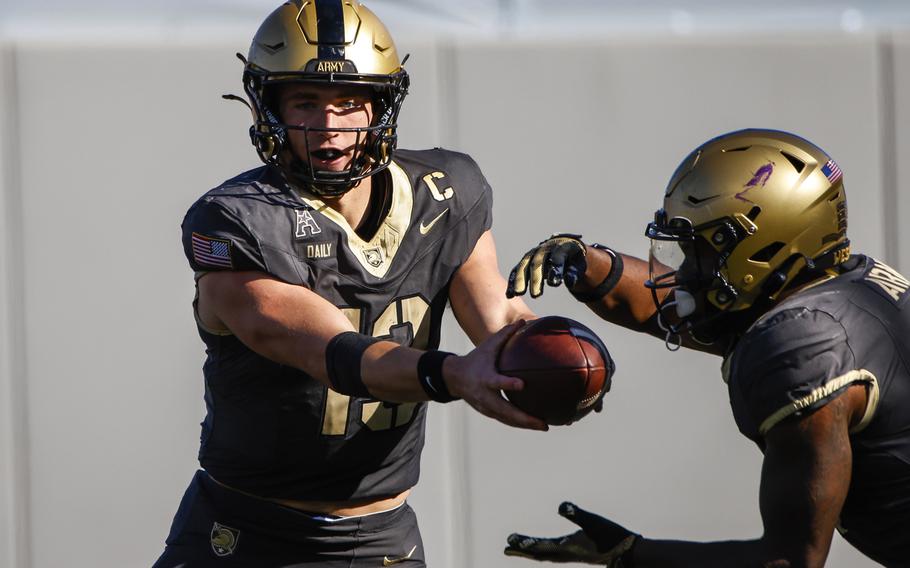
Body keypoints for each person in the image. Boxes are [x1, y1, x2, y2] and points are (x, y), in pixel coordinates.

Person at [152, 1, 546, 566]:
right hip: (247, 535)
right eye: (306, 103)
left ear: (381, 108)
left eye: (349, 103)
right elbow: (333, 351)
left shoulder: (446, 191)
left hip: (384, 538)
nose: (330, 127)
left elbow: (501, 324)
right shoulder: (236, 219)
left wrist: (555, 351)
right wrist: (452, 374)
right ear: (270, 107)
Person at [503, 129, 910, 567]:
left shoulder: (802, 352)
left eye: (702, 251)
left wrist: (631, 554)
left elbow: (789, 561)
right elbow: (681, 308)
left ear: (763, 245)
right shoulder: (844, 285)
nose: (687, 270)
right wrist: (589, 263)